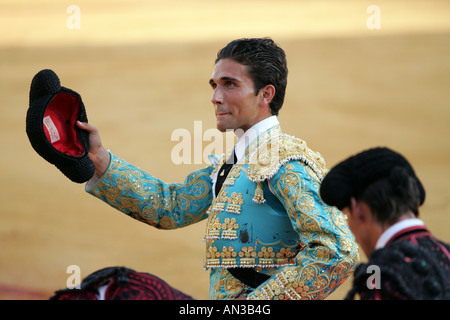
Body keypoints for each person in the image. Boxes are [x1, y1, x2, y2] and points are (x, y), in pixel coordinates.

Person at [77, 38, 359, 300]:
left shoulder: (286, 161)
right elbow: (170, 207)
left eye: (230, 84)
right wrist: (99, 157)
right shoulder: (232, 165)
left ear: (265, 94)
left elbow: (336, 251)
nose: (215, 96)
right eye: (214, 85)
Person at [319, 147, 450, 300]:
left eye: (347, 215)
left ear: (357, 210)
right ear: (415, 202)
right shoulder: (446, 252)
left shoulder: (376, 273)